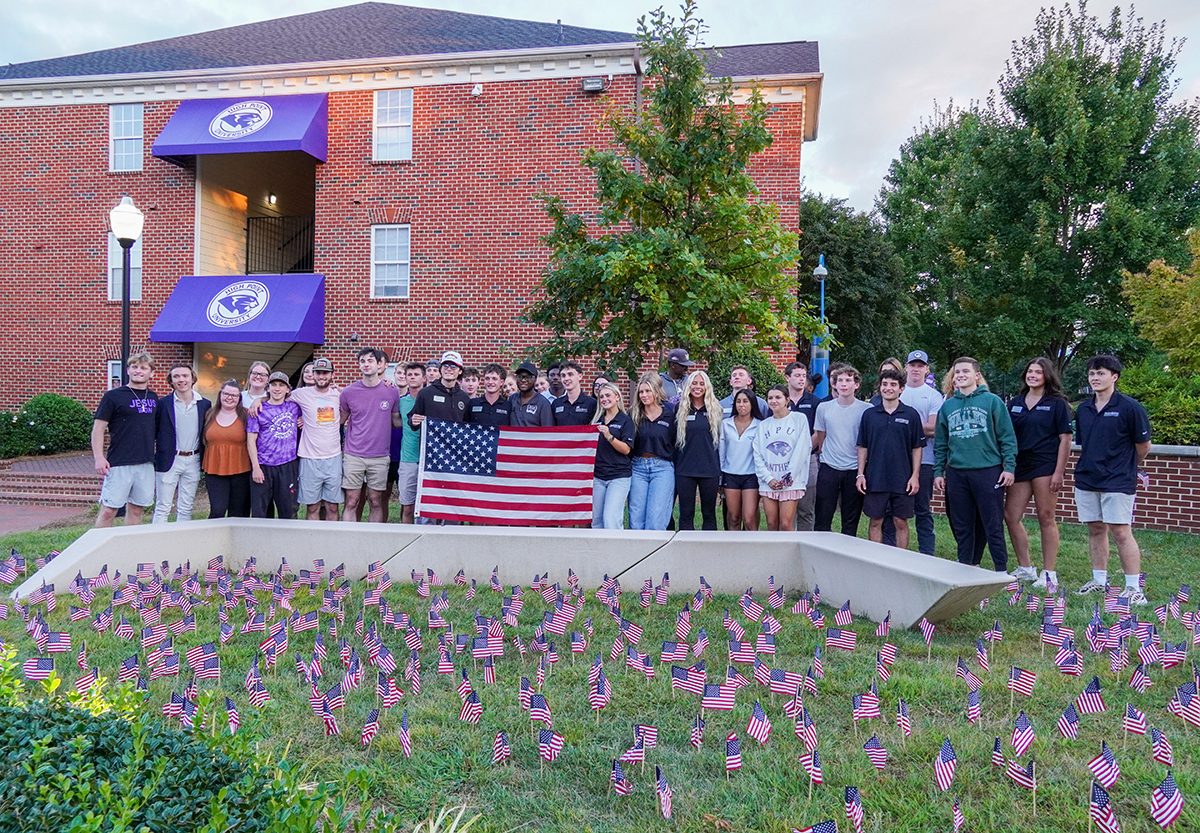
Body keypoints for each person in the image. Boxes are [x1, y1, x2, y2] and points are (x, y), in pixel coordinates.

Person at [1073, 354, 1152, 605]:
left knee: (1120, 531)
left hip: (1118, 480)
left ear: (1114, 377)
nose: (1095, 378)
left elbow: (1143, 446)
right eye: (1092, 374)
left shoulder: (1130, 408)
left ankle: (1132, 588)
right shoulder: (1083, 409)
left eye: (1101, 373)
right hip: (1087, 478)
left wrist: (1125, 466)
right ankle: (1099, 581)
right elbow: (1085, 443)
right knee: (1095, 529)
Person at [933, 357, 1018, 573]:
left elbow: (1007, 437)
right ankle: (966, 564)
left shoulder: (992, 402)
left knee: (992, 523)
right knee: (961, 524)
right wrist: (938, 472)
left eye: (965, 371)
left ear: (977, 375)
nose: (960, 375)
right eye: (957, 372)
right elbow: (941, 443)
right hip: (957, 473)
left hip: (988, 471)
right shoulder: (948, 406)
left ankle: (1001, 569)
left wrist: (1008, 467)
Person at [1004, 357, 1074, 588]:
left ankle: (1049, 573)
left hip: (1045, 464)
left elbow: (1065, 439)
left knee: (1046, 517)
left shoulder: (1057, 403)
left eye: (1038, 372)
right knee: (1011, 516)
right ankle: (1025, 568)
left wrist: (1059, 472)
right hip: (1019, 464)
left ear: (1047, 376)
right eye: (1030, 371)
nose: (1032, 375)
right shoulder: (1014, 402)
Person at [856, 367, 925, 549]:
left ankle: (900, 563)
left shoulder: (911, 415)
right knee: (876, 521)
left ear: (901, 389)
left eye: (893, 385)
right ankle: (877, 561)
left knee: (900, 522)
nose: (888, 388)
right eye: (885, 384)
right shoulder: (869, 415)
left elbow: (917, 447)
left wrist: (915, 476)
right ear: (880, 387)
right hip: (875, 477)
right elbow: (863, 446)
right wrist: (860, 474)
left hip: (902, 479)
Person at [92, 351, 158, 528]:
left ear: (151, 373)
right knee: (108, 510)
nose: (138, 371)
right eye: (134, 367)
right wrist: (99, 457)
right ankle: (98, 550)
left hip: (145, 462)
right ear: (128, 370)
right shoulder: (113, 396)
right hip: (119, 462)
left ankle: (129, 551)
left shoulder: (153, 398)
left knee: (136, 510)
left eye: (143, 368)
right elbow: (98, 428)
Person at [888, 350, 944, 554]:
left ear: (927, 369)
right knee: (892, 511)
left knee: (922, 511)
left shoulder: (933, 396)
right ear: (906, 367)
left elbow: (933, 428)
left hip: (925, 461)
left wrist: (902, 425)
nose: (916, 369)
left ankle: (926, 554)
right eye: (913, 365)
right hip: (894, 462)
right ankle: (890, 550)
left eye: (921, 365)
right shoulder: (898, 391)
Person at [339, 348, 401, 523]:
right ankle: (348, 538)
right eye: (362, 361)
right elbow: (339, 420)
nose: (366, 364)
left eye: (370, 361)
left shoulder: (391, 391)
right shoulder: (348, 392)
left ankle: (374, 539)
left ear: (379, 364)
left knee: (376, 501)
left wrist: (421, 419)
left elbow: (397, 421)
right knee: (351, 500)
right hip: (353, 454)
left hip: (380, 455)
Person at [813, 365, 872, 536]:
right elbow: (821, 435)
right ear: (835, 385)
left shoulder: (866, 410)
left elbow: (866, 442)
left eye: (848, 380)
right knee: (823, 517)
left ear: (857, 385)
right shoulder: (824, 408)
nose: (844, 384)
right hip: (829, 467)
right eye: (840, 380)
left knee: (850, 520)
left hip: (854, 468)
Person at [152, 363, 210, 524]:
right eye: (176, 376)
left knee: (186, 506)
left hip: (193, 459)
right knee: (163, 506)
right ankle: (157, 544)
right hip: (169, 459)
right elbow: (154, 431)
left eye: (185, 376)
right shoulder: (163, 404)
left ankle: (181, 543)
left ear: (192, 379)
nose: (181, 380)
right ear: (171, 380)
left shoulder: (204, 404)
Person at [290, 357, 343, 521]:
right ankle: (312, 540)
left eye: (325, 373)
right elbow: (276, 397)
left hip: (333, 458)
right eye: (318, 373)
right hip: (309, 457)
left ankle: (332, 541)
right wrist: (259, 401)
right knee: (312, 506)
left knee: (332, 507)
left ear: (332, 375)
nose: (322, 376)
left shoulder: (339, 394)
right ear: (313, 375)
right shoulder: (301, 394)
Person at [754, 384, 811, 531]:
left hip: (791, 481)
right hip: (770, 481)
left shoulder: (799, 419)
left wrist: (788, 476)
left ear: (787, 400)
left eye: (778, 397)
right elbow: (758, 453)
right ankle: (772, 554)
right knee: (772, 523)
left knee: (786, 524)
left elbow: (802, 449)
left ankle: (789, 554)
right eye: (770, 398)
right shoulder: (763, 425)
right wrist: (768, 478)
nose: (774, 401)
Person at [247, 371, 301, 520]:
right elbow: (251, 441)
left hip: (287, 465)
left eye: (281, 385)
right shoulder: (258, 410)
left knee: (288, 511)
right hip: (263, 466)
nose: (277, 389)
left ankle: (287, 542)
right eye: (274, 385)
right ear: (268, 388)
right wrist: (256, 468)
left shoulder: (294, 408)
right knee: (260, 512)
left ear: (287, 389)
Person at [675, 370, 722, 530]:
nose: (697, 387)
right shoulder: (679, 409)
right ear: (688, 385)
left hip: (709, 469)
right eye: (694, 383)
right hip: (685, 469)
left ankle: (709, 550)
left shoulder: (716, 409)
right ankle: (686, 550)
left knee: (709, 513)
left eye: (701, 384)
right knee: (686, 513)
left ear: (707, 387)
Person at [628, 373, 676, 530]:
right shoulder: (634, 414)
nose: (644, 395)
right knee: (636, 517)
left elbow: (678, 440)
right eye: (641, 392)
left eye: (648, 391)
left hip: (662, 468)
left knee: (656, 516)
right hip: (638, 467)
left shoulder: (670, 412)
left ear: (656, 391)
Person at [202, 379, 252, 518]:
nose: (229, 398)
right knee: (217, 510)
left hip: (241, 470)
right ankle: (212, 539)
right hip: (214, 469)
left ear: (239, 398)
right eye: (226, 394)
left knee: (237, 513)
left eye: (234, 395)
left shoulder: (247, 415)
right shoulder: (209, 414)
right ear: (220, 395)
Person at [592, 381, 635, 529]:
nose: (604, 399)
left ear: (617, 397)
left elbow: (626, 450)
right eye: (601, 396)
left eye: (608, 395)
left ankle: (616, 550)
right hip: (598, 476)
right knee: (596, 520)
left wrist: (609, 436)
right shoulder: (596, 420)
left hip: (618, 476)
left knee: (611, 519)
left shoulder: (626, 421)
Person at [719, 389, 762, 531]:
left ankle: (752, 550)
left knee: (749, 519)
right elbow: (721, 452)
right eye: (738, 401)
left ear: (752, 404)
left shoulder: (760, 425)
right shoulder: (726, 424)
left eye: (745, 401)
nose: (741, 405)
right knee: (733, 517)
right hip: (730, 475)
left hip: (751, 476)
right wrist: (720, 478)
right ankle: (734, 549)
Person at [785, 361, 820, 531]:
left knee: (806, 509)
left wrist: (802, 451)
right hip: (784, 461)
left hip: (809, 459)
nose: (801, 379)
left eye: (804, 376)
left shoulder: (815, 402)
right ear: (787, 378)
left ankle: (805, 544)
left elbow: (818, 431)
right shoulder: (780, 400)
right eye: (797, 375)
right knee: (786, 510)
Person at [394, 361, 427, 523]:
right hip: (407, 459)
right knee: (407, 506)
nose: (412, 378)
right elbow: (395, 422)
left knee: (427, 507)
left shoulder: (432, 400)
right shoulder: (401, 402)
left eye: (416, 374)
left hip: (428, 460)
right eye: (410, 375)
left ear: (424, 378)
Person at [553, 360, 598, 425]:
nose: (566, 378)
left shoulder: (592, 403)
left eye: (570, 374)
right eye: (563, 375)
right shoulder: (556, 404)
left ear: (580, 376)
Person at [509, 361, 553, 426]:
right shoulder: (512, 399)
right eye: (520, 376)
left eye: (527, 377)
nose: (523, 380)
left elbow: (547, 431)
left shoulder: (543, 403)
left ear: (535, 379)